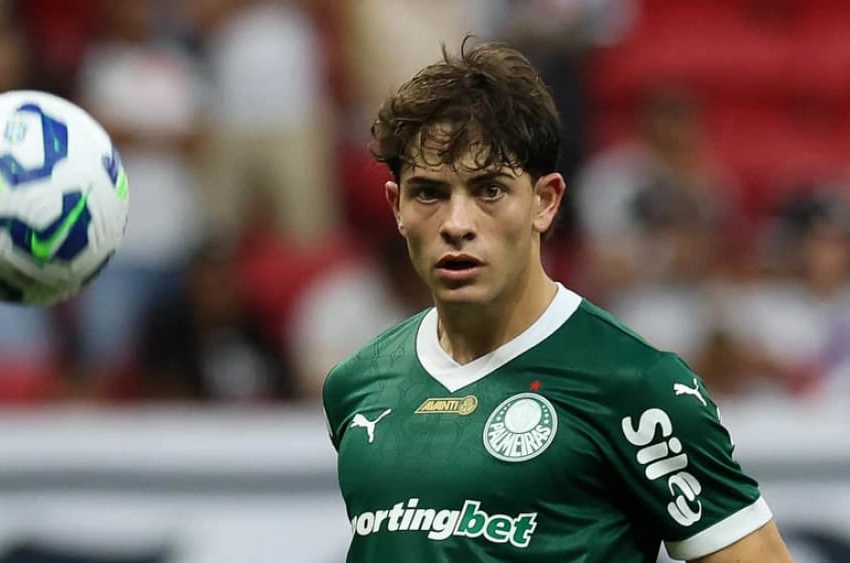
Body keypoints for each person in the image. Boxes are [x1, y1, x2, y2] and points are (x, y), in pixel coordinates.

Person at [321, 38, 793, 563]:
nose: (456, 224)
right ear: (397, 208)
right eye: (429, 193)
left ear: (545, 202)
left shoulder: (634, 385)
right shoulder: (357, 385)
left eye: (490, 190)